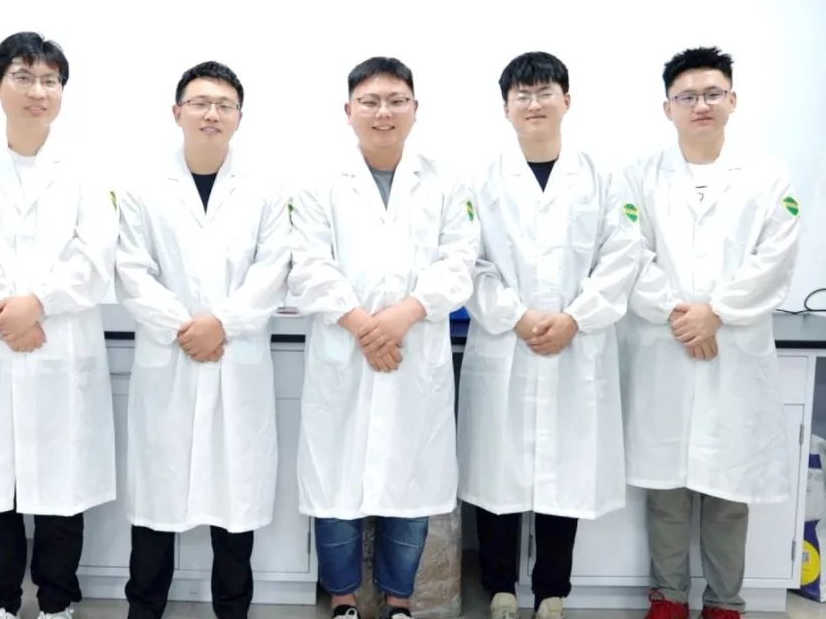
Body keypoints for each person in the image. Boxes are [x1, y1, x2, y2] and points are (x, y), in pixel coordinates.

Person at [0, 32, 117, 619]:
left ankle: (57, 601)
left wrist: (39, 304)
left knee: (62, 487)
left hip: (59, 338)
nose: (38, 91)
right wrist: (8, 310)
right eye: (23, 77)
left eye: (49, 80)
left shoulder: (85, 166)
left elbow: (95, 251)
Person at [287, 56, 478, 619]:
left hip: (413, 348)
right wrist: (363, 326)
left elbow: (459, 261)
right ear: (348, 111)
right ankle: (343, 598)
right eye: (370, 102)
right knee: (336, 484)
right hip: (345, 350)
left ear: (415, 109)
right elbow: (308, 263)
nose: (383, 112)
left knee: (411, 482)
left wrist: (403, 316)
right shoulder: (320, 182)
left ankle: (399, 600)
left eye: (396, 100)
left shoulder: (447, 181)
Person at [457, 51, 641, 619]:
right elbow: (467, 261)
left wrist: (575, 318)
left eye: (544, 92)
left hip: (575, 345)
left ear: (567, 100)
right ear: (506, 107)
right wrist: (514, 315)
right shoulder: (479, 180)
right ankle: (500, 588)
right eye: (523, 95)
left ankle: (553, 592)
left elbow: (623, 255)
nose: (534, 104)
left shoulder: (602, 178)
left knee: (566, 475)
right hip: (505, 341)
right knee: (499, 476)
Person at [619, 47, 800, 619]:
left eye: (712, 93)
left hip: (733, 349)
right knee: (666, 491)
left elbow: (775, 257)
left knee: (729, 492)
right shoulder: (639, 176)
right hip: (665, 347)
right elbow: (629, 255)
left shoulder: (767, 176)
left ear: (733, 100)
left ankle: (725, 603)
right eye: (688, 96)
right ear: (667, 107)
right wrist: (683, 314)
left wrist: (716, 312)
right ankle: (668, 598)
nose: (701, 104)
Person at [115, 60, 291, 619]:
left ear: (239, 117)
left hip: (235, 358)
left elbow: (273, 270)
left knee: (234, 507)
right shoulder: (142, 188)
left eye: (224, 105)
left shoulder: (265, 190)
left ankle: (232, 611)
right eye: (200, 103)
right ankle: (144, 609)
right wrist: (185, 327)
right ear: (177, 112)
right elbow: (131, 270)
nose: (211, 114)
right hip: (170, 358)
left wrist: (222, 323)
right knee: (156, 507)